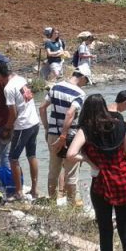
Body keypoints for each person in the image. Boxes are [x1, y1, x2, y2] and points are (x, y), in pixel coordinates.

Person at [66, 94, 126, 251]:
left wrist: (88, 160)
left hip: (101, 183)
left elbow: (70, 154)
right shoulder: (120, 125)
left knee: (105, 230)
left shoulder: (86, 130)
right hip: (124, 180)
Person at [40, 63, 90, 204]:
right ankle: (71, 204)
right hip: (69, 136)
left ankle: (52, 202)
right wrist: (63, 136)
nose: (85, 85)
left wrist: (47, 128)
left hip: (52, 133)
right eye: (86, 81)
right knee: (71, 172)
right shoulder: (79, 93)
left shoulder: (56, 87)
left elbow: (42, 108)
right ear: (83, 78)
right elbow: (70, 113)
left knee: (53, 169)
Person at [4, 70, 40, 199]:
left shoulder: (8, 88)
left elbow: (13, 114)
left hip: (22, 126)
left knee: (13, 159)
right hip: (35, 122)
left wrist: (7, 128)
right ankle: (34, 190)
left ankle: (19, 192)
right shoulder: (21, 79)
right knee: (31, 155)